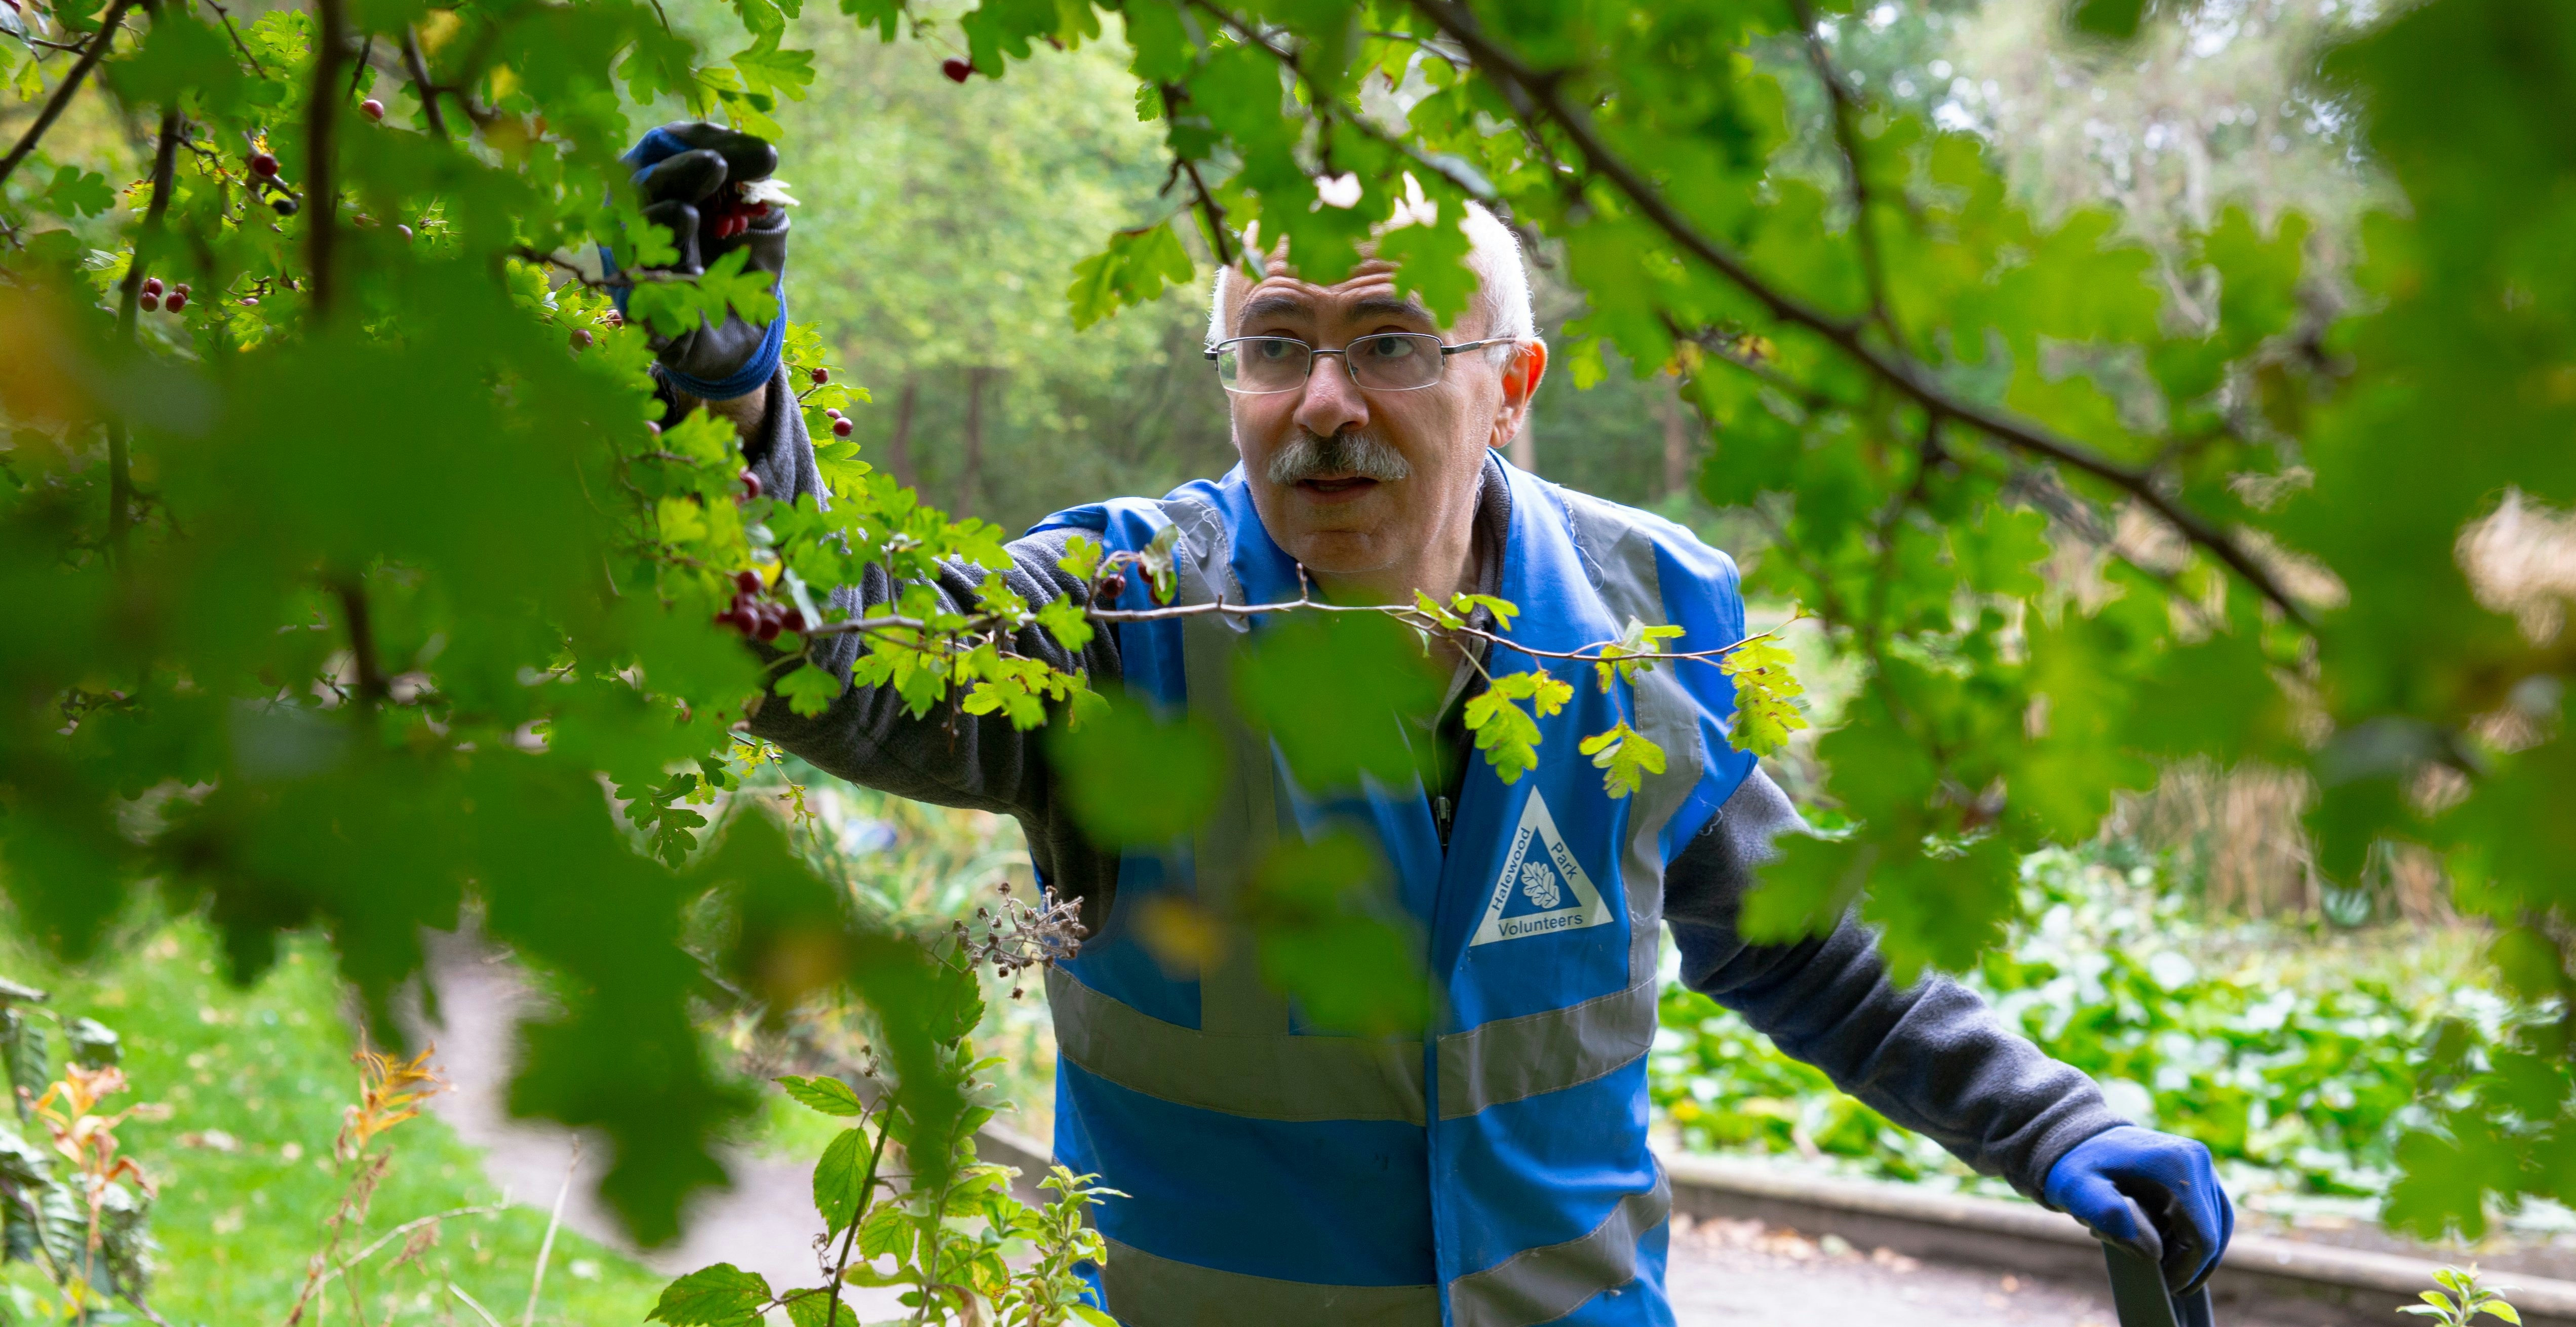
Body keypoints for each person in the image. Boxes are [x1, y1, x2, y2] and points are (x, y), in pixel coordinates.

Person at [623, 123, 2234, 1327]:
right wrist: (722, 422)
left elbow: (1798, 942)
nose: (1323, 403)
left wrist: (2058, 1122)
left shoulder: (1650, 620)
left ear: (1510, 383)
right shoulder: (1120, 614)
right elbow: (834, 664)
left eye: (1390, 346)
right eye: (1275, 351)